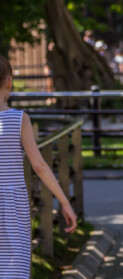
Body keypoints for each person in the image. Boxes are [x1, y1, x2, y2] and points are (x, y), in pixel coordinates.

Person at [0, 55, 77, 278]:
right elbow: (40, 166)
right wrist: (64, 202)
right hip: (12, 202)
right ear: (9, 81)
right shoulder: (19, 119)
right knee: (13, 265)